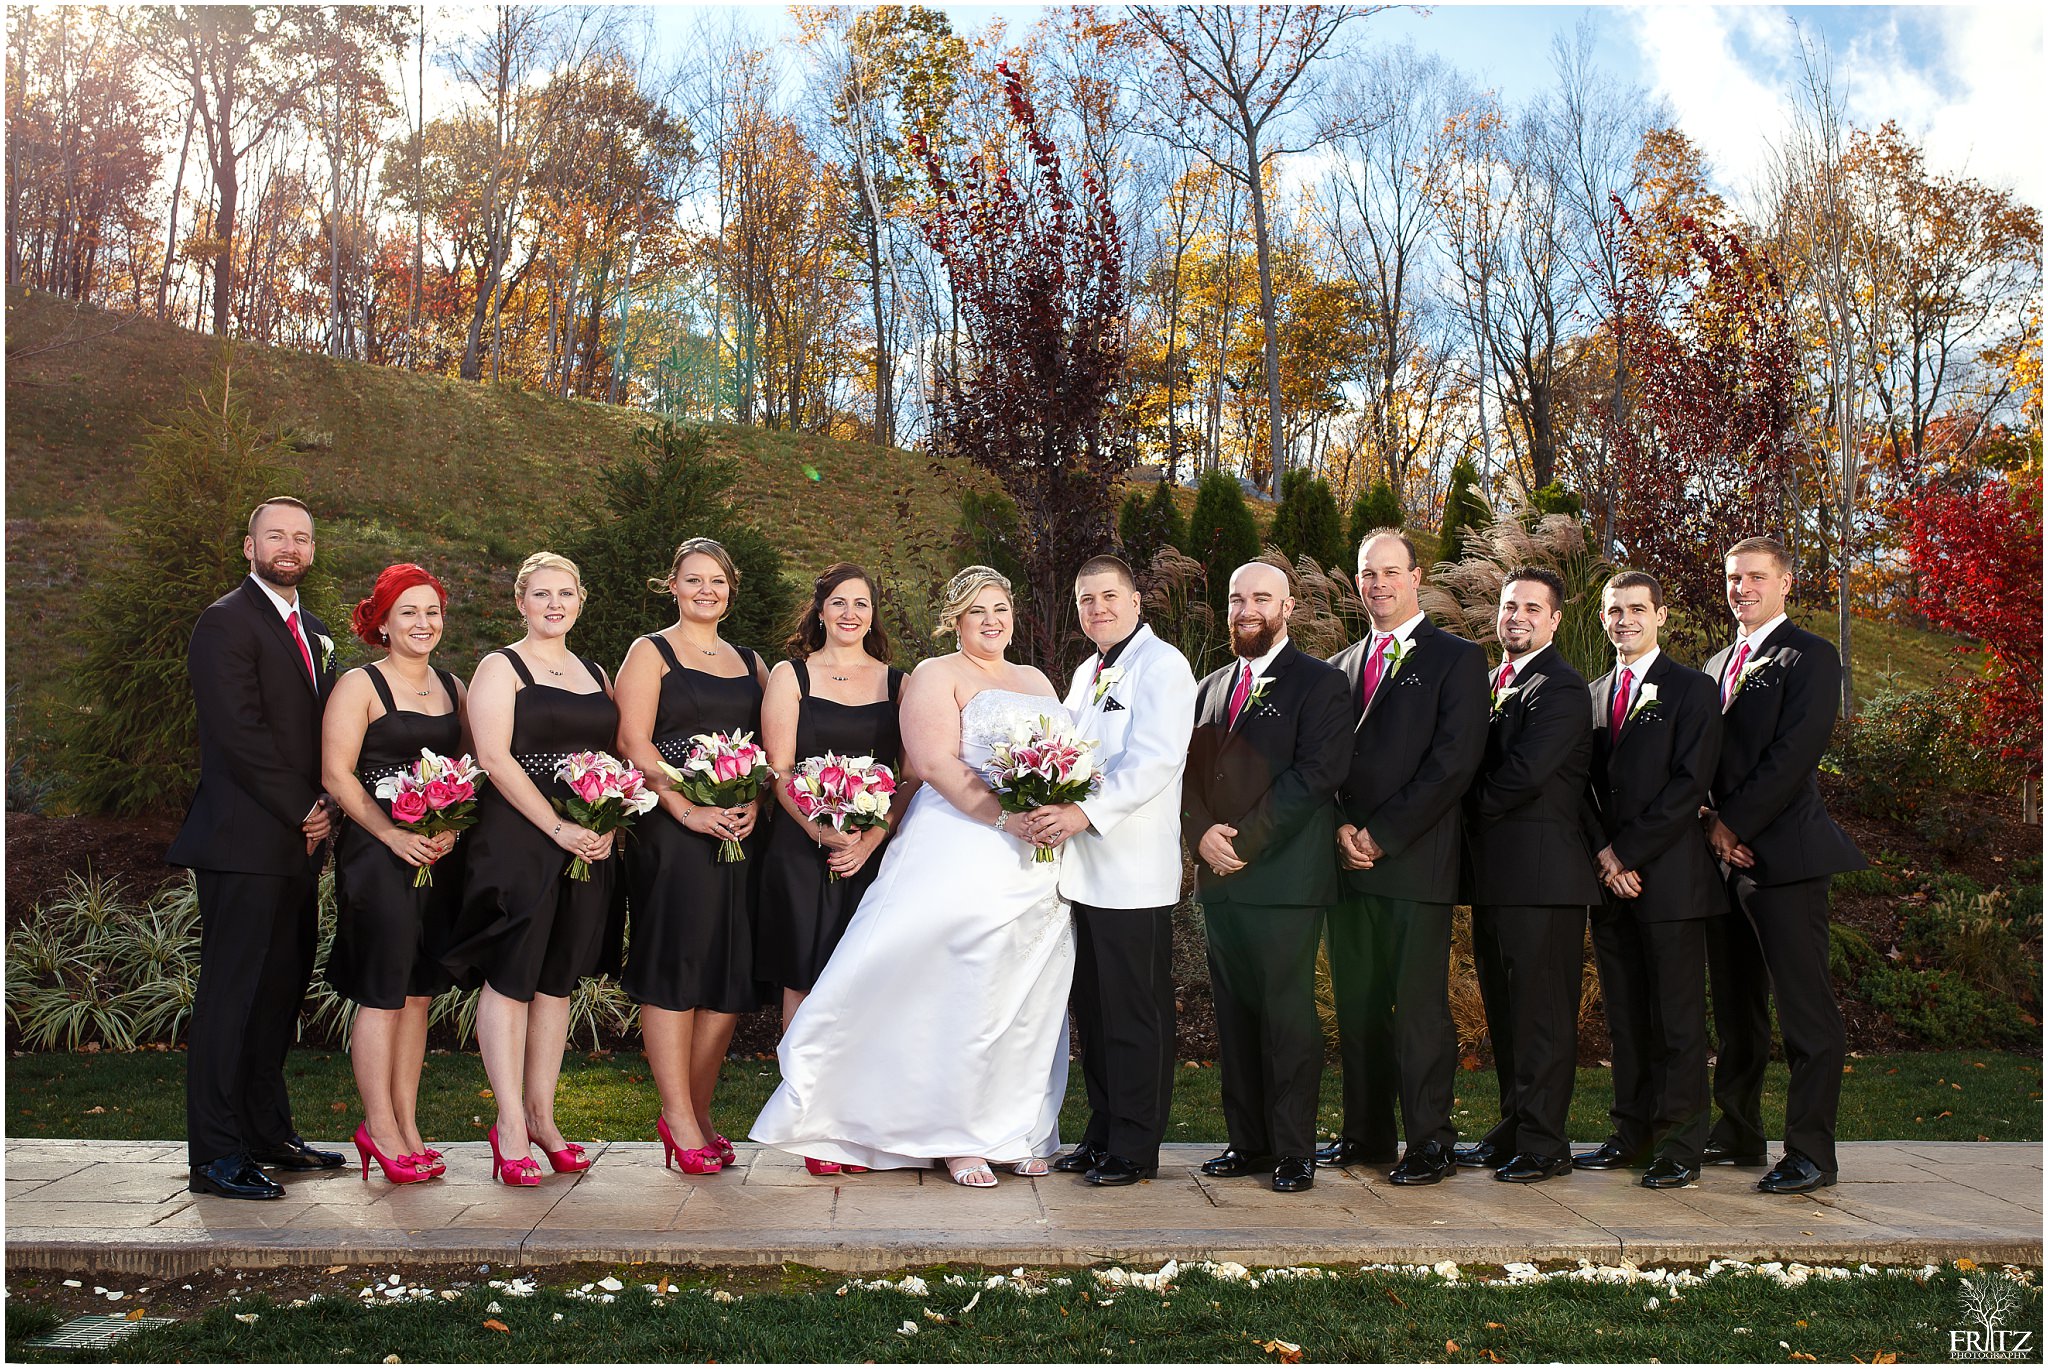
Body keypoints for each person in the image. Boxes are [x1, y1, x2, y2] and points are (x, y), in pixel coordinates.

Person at [751, 566, 1074, 1188]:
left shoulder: (1036, 680)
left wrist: (1050, 811)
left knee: (1023, 994)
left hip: (1033, 861)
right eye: (977, 611)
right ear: (955, 618)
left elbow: (1059, 756)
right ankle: (948, 1134)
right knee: (955, 991)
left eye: (1001, 609)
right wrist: (1006, 818)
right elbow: (929, 763)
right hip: (961, 844)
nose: (991, 621)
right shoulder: (934, 675)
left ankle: (1011, 1129)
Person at [169, 496, 345, 1200]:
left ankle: (267, 1133)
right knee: (230, 997)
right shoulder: (224, 623)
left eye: (301, 537)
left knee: (278, 995)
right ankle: (215, 1154)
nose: (290, 546)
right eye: (276, 534)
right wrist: (304, 805)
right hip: (242, 841)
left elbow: (324, 733)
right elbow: (238, 734)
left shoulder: (316, 630)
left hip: (300, 846)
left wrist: (330, 802)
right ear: (249, 545)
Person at [441, 552, 621, 1187]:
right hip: (521, 840)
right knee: (514, 978)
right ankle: (510, 1124)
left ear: (579, 601)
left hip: (587, 844)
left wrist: (605, 821)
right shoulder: (502, 666)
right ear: (520, 603)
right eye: (541, 594)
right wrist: (557, 826)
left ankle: (545, 1118)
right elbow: (492, 755)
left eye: (565, 594)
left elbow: (612, 755)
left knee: (557, 981)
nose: (554, 604)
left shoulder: (595, 671)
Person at [1701, 537, 1866, 1195]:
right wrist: (1710, 825)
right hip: (1724, 862)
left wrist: (1731, 823)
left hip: (1785, 859)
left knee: (1806, 1013)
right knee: (1737, 1009)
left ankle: (1811, 1152)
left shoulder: (1812, 656)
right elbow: (1701, 757)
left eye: (1755, 577)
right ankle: (1738, 1127)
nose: (1742, 588)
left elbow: (1795, 754)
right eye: (1733, 578)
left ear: (1786, 582)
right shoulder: (1715, 663)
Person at [1322, 531, 1488, 1186]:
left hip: (1413, 860)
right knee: (1357, 1005)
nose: (1379, 584)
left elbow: (1454, 763)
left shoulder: (1456, 659)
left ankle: (1430, 1141)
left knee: (1417, 1008)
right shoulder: (1336, 666)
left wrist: (1382, 834)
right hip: (1347, 865)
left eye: (1391, 571)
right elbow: (1321, 764)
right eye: (1368, 573)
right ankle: (1365, 1132)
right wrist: (1340, 828)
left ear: (1416, 576)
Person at [1182, 561, 1350, 1195]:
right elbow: (1187, 776)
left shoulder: (1320, 683)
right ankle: (1247, 1142)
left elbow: (1316, 775)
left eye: (1260, 597)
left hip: (1284, 880)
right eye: (1236, 598)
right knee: (1236, 1014)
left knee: (1286, 1018)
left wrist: (1242, 841)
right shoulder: (1212, 685)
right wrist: (1200, 835)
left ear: (1289, 608)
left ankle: (1291, 1150)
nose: (1246, 608)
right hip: (1219, 879)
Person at [1035, 555, 1196, 1188]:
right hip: (1083, 871)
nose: (1097, 608)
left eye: (1108, 596)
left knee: (1135, 1013)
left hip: (1131, 869)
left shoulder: (1165, 665)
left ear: (1135, 602)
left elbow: (1155, 761)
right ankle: (1102, 1131)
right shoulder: (1085, 671)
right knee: (1095, 1012)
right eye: (1085, 599)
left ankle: (1135, 1145)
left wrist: (1081, 812)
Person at [615, 538, 769, 1177]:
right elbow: (632, 740)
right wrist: (684, 806)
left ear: (731, 591)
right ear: (672, 585)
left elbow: (770, 746)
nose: (707, 590)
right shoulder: (650, 653)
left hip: (738, 834)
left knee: (729, 976)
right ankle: (677, 1117)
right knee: (678, 969)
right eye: (694, 580)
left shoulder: (752, 662)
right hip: (674, 834)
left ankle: (700, 1113)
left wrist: (755, 800)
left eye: (718, 581)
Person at [1573, 570, 1725, 1190]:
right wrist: (1605, 856)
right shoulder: (1589, 694)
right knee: (1627, 1018)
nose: (1625, 620)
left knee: (1679, 1020)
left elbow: (1690, 784)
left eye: (1637, 609)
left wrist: (1628, 853)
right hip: (1611, 884)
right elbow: (1578, 787)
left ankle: (1681, 1143)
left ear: (1661, 616)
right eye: (1614, 611)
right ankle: (1630, 1133)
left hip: (1670, 881)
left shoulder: (1691, 689)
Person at [321, 564, 467, 1185]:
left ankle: (407, 1125)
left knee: (417, 993)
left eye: (431, 610)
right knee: (383, 992)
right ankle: (377, 1127)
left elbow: (467, 771)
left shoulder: (452, 685)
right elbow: (336, 773)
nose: (422, 622)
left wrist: (451, 828)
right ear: (380, 620)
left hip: (435, 855)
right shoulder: (361, 685)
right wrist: (389, 834)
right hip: (378, 854)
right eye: (407, 611)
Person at [1454, 568, 1601, 1184]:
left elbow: (1525, 774)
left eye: (1532, 609)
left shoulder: (1562, 688)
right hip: (1495, 878)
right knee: (1507, 1011)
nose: (1517, 617)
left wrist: (1451, 804)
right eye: (1509, 606)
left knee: (1541, 1013)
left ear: (1555, 620)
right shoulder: (1491, 682)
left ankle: (1545, 1142)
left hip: (1543, 879)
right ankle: (1515, 1124)